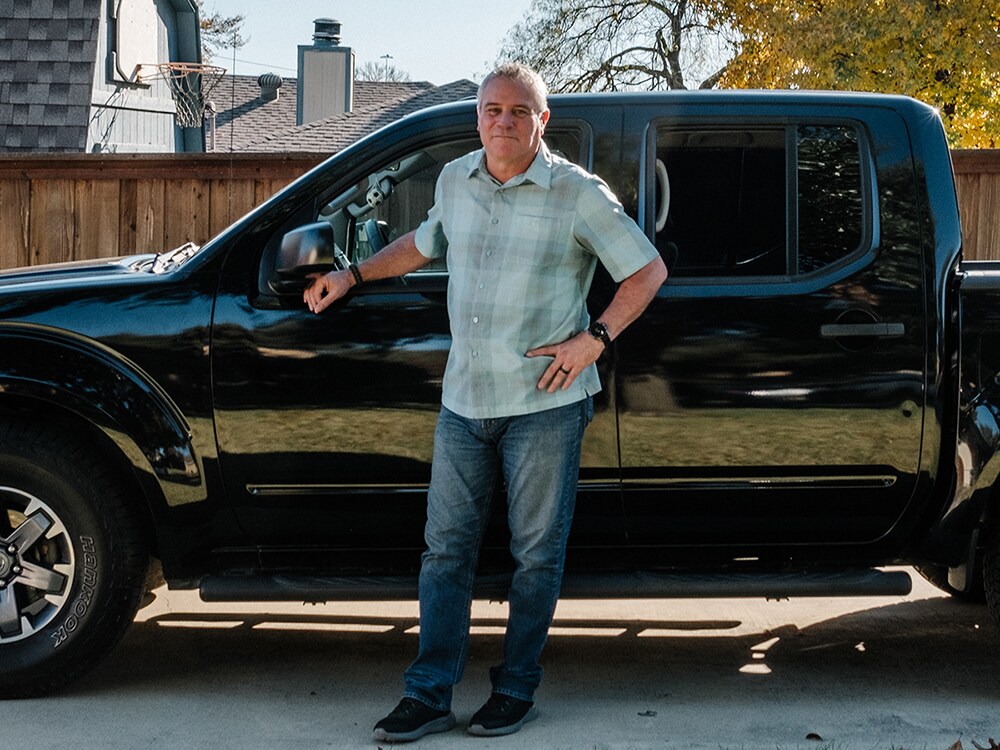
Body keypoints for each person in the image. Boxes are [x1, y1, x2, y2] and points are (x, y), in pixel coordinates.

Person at [304, 63, 667, 742]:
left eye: (519, 111)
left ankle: (517, 689)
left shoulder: (577, 192)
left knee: (536, 556)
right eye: (492, 109)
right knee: (445, 553)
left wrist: (594, 339)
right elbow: (422, 244)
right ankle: (429, 694)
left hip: (545, 406)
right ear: (478, 118)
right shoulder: (454, 179)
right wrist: (352, 275)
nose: (504, 121)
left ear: (542, 121)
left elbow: (647, 269)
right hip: (464, 402)